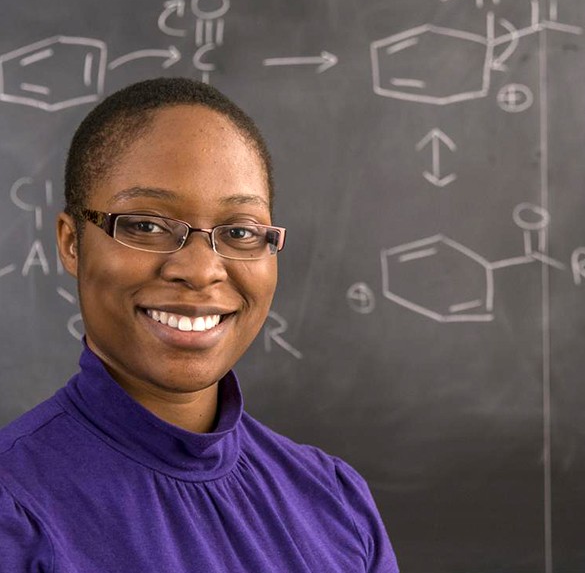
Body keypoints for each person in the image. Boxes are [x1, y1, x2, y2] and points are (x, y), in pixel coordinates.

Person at [0, 77, 399, 572]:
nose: (201, 270)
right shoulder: (15, 512)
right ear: (71, 243)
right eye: (146, 225)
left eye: (239, 232)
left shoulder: (333, 500)